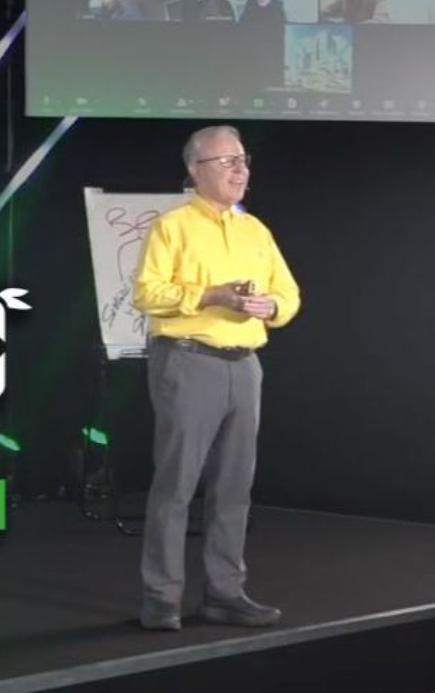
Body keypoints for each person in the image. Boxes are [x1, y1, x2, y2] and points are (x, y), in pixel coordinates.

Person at [132, 126, 301, 631]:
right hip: (188, 362)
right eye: (227, 161)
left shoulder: (255, 230)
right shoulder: (172, 227)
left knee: (233, 488)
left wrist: (272, 307)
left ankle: (224, 594)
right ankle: (161, 599)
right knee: (177, 486)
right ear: (195, 170)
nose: (240, 169)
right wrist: (212, 295)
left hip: (245, 366)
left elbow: (289, 294)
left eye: (243, 160)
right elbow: (147, 293)